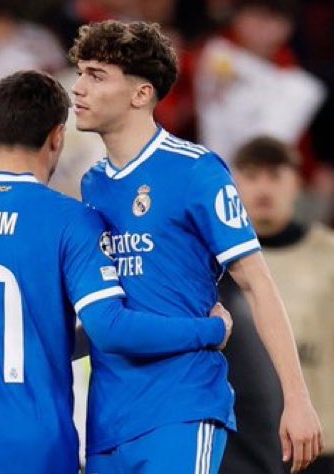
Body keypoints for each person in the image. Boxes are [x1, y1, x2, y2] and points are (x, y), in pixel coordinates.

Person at [0, 70, 232, 474]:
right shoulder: (70, 220)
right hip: (35, 448)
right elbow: (110, 328)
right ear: (57, 136)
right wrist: (210, 330)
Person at [70, 19, 323, 474]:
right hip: (107, 421)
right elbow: (108, 314)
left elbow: (258, 284)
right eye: (81, 73)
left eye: (96, 75)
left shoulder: (196, 170)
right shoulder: (92, 185)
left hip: (181, 408)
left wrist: (297, 400)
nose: (79, 88)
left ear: (141, 94)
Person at [231, 136, 334, 474]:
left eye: (275, 176)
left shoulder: (329, 255)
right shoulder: (212, 265)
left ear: (296, 183)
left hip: (319, 442)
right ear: (233, 185)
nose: (263, 189)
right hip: (240, 443)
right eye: (251, 176)